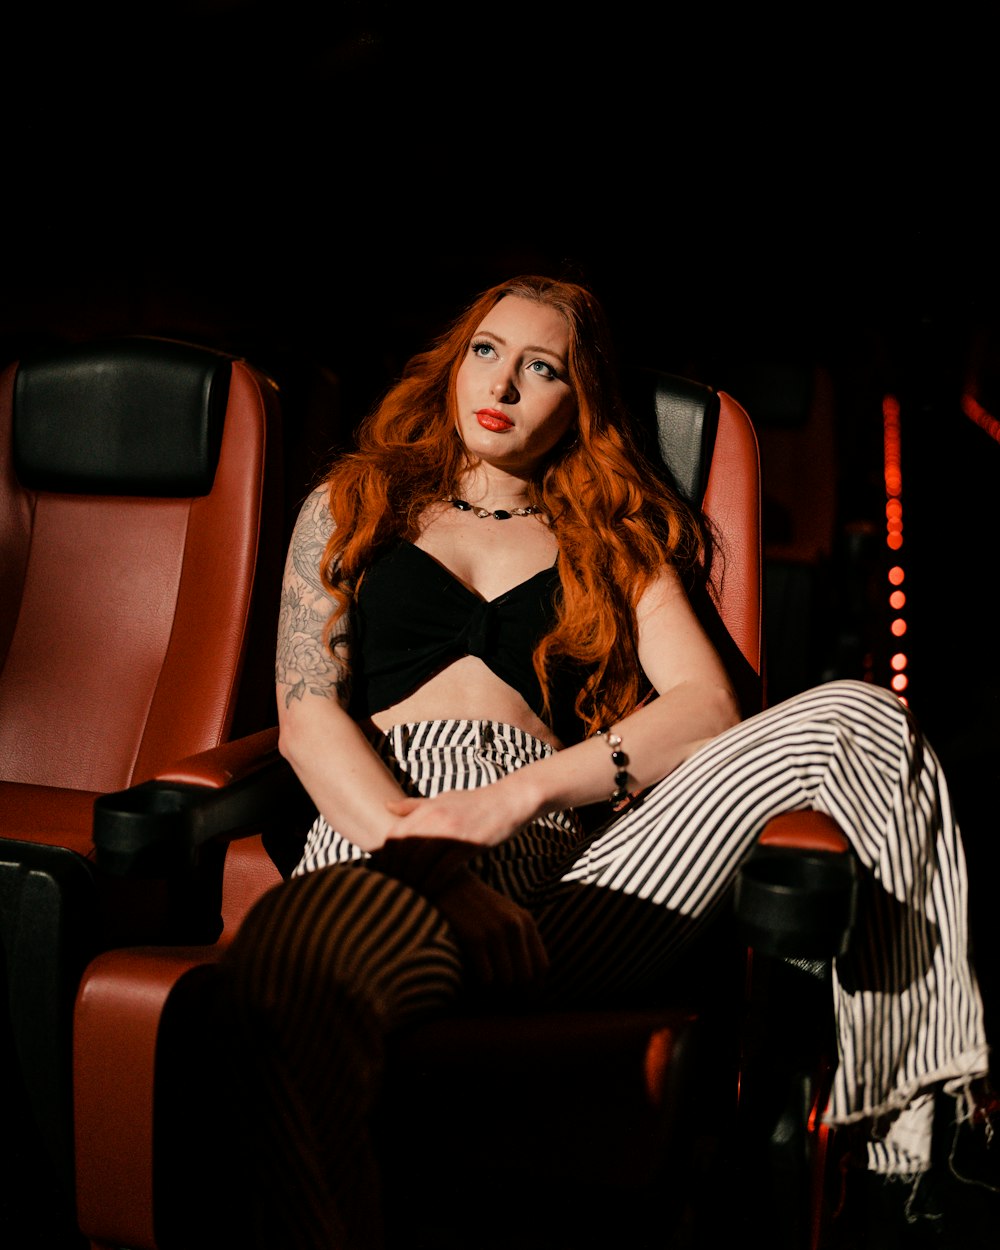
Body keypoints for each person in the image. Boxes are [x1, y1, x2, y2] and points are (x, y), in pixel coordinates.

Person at [210, 274, 993, 1247]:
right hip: (380, 842)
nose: (504, 380)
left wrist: (517, 798)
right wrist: (440, 858)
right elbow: (306, 718)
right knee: (278, 975)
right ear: (454, 363)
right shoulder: (355, 498)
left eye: (543, 368)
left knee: (862, 718)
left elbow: (707, 709)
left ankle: (907, 1153)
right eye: (487, 350)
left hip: (562, 879)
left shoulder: (614, 539)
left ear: (579, 402)